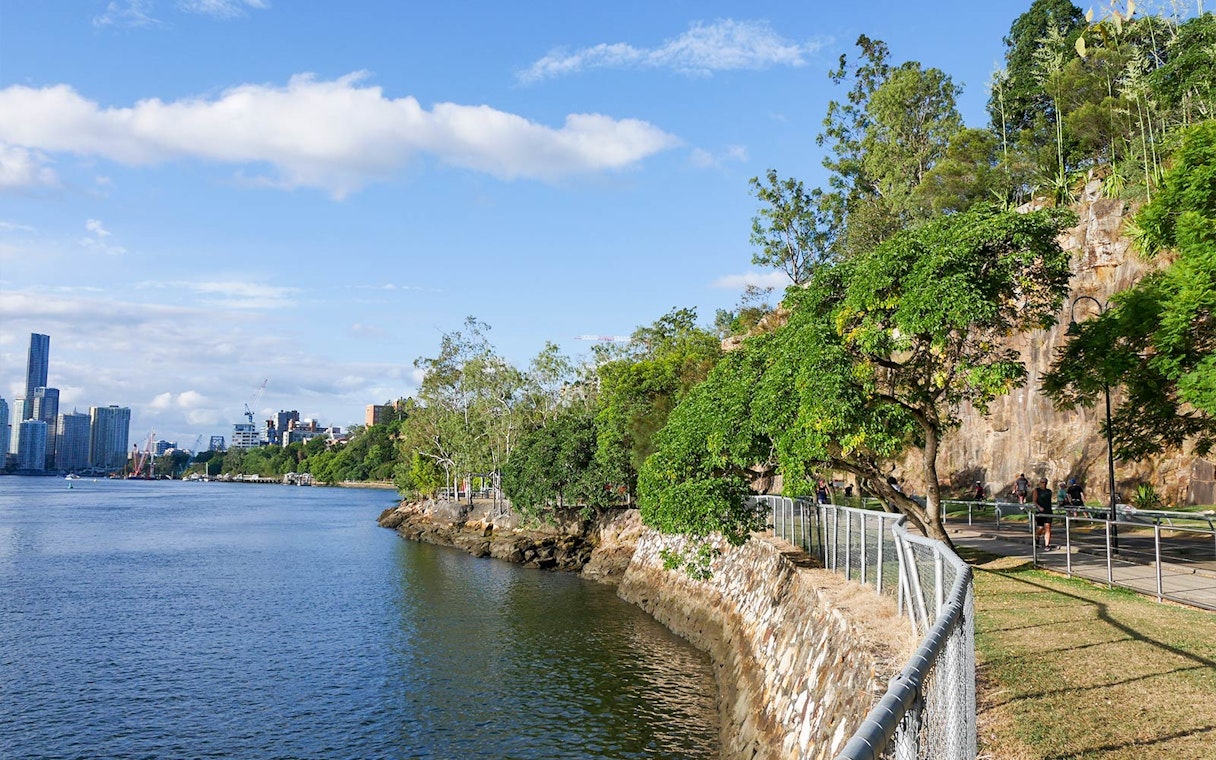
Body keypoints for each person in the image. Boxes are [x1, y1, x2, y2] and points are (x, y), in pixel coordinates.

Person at [1032, 478, 1055, 549]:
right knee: (1040, 528)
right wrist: (1039, 507)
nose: (1044, 484)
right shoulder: (1037, 490)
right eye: (1042, 482)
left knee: (1048, 528)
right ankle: (1037, 538)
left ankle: (1047, 545)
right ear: (1040, 483)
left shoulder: (1049, 491)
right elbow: (1034, 501)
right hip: (1040, 512)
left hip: (1048, 512)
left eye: (1045, 482)